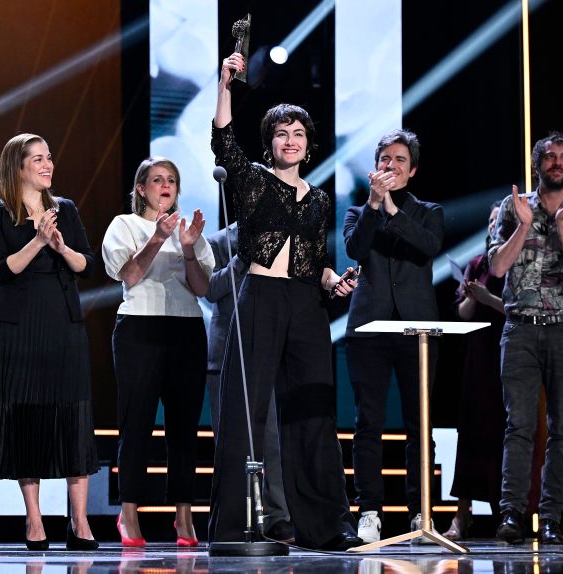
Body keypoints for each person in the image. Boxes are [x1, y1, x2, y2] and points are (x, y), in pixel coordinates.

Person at [208, 51, 360, 551]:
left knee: (314, 411)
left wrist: (333, 280)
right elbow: (223, 140)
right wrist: (226, 83)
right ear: (270, 142)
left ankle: (326, 525)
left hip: (305, 304)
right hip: (261, 298)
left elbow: (313, 258)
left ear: (309, 145)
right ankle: (232, 527)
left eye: (298, 134)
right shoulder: (253, 179)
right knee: (243, 411)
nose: (290, 140)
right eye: (281, 133)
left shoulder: (319, 198)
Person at [0, 133, 100, 551]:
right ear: (17, 167)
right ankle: (34, 519)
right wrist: (37, 241)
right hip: (18, 328)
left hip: (63, 324)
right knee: (25, 418)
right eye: (37, 159)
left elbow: (87, 264)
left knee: (72, 416)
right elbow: (1, 269)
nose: (48, 164)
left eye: (49, 157)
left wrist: (61, 247)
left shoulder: (65, 209)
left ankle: (79, 521)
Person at [488, 132, 563, 545]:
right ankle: (512, 514)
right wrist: (523, 225)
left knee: (561, 428)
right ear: (537, 165)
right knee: (518, 425)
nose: (557, 162)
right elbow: (497, 268)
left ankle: (552, 517)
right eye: (550, 156)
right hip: (519, 328)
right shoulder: (511, 207)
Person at [102, 157, 212, 547]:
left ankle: (184, 516)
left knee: (184, 426)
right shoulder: (125, 225)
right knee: (137, 422)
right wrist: (156, 239)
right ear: (141, 189)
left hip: (186, 328)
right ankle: (129, 513)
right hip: (139, 327)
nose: (165, 185)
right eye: (157, 179)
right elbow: (129, 275)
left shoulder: (189, 231)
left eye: (171, 180)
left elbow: (202, 288)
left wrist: (187, 249)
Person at [342, 129, 444, 543]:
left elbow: (427, 246)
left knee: (420, 424)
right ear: (375, 167)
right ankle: (369, 510)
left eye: (400, 160)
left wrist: (391, 208)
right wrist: (374, 205)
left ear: (412, 169)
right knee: (368, 422)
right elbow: (355, 249)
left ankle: (421, 511)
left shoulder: (428, 211)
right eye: (385, 159)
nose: (392, 165)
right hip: (369, 328)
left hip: (417, 330)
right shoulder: (357, 211)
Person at [204, 223, 292, 542]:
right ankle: (235, 518)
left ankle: (278, 516)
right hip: (226, 351)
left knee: (272, 441)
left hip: (268, 349)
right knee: (230, 443)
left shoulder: (280, 236)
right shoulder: (217, 242)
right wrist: (242, 258)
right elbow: (211, 289)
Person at [442, 201, 506, 541]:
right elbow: (464, 314)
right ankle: (462, 514)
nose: (494, 225)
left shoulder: (517, 262)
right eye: (491, 220)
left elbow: (519, 310)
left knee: (504, 432)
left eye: (501, 220)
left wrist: (488, 298)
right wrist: (472, 296)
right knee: (470, 431)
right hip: (478, 354)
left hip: (508, 351)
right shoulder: (477, 263)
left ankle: (505, 512)